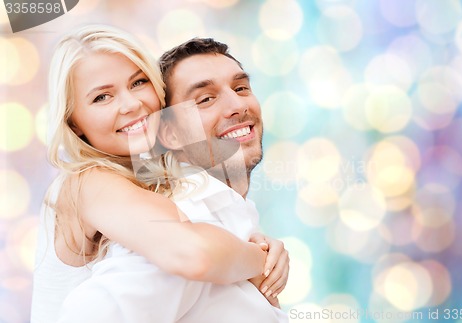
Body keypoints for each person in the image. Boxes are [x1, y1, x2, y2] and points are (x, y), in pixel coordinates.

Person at [31, 25, 287, 323]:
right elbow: (193, 253)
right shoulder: (86, 182)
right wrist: (260, 258)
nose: (131, 105)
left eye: (138, 82)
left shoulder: (162, 184)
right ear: (73, 123)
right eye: (102, 97)